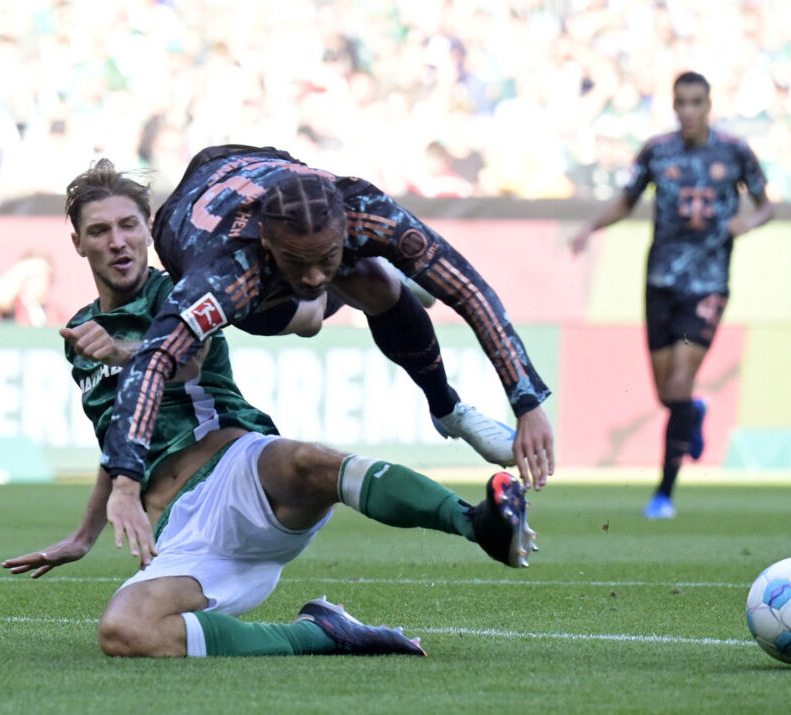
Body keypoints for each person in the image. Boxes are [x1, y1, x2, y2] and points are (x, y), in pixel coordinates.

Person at [2, 160, 538, 659]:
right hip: (183, 538)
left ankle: (477, 522)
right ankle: (321, 634)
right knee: (125, 632)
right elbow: (118, 435)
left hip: (238, 472)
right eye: (100, 231)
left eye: (128, 226)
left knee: (311, 460)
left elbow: (188, 360)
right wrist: (84, 535)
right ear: (77, 243)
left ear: (148, 228)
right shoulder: (81, 331)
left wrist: (123, 353)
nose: (118, 242)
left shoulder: (187, 287)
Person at [100, 144, 554, 545]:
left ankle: (448, 410)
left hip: (262, 163)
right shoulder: (224, 274)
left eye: (327, 258)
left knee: (370, 281)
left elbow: (468, 290)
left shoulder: (364, 208)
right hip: (196, 224)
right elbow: (153, 362)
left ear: (344, 229)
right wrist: (124, 483)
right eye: (298, 261)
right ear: (269, 243)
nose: (315, 275)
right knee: (310, 317)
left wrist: (527, 401)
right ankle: (371, 281)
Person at [570, 72, 773, 519]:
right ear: (673, 105)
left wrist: (748, 224)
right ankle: (692, 412)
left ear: (709, 104)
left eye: (696, 102)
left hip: (707, 286)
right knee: (667, 395)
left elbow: (766, 205)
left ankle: (664, 493)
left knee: (681, 378)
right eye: (681, 102)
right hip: (660, 282)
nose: (688, 111)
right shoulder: (657, 152)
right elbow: (626, 202)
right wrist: (590, 227)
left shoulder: (735, 152)